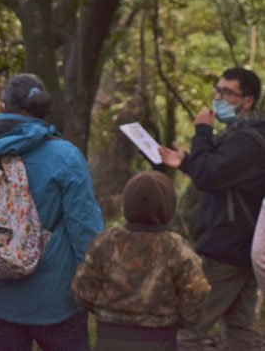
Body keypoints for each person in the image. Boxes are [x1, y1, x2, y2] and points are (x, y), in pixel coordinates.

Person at [0, 73, 104, 351]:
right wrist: (93, 285)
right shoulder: (65, 157)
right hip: (57, 299)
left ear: (1, 106)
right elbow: (86, 233)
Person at [159, 67, 265, 351]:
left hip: (226, 251)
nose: (218, 97)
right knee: (240, 330)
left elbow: (209, 175)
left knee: (187, 329)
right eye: (217, 90)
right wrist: (185, 161)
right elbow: (220, 175)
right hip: (243, 247)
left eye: (227, 92)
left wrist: (203, 130)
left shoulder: (247, 140)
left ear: (248, 100)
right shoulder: (245, 135)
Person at [72, 170, 210, 351]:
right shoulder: (176, 248)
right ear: (168, 207)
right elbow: (196, 294)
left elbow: (82, 290)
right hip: (160, 339)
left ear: (127, 203)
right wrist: (181, 320)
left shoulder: (105, 242)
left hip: (109, 337)